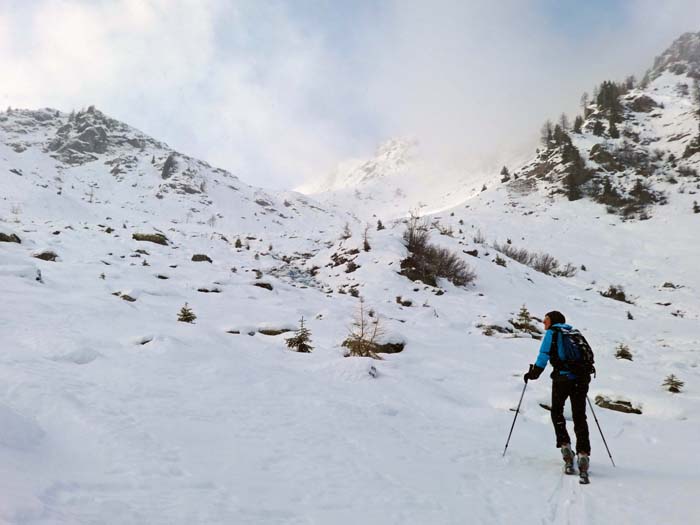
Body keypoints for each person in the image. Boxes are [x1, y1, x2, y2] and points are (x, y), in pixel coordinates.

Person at [523, 311, 590, 477]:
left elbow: (543, 355)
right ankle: (583, 453)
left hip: (562, 379)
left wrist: (533, 373)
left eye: (546, 320)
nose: (544, 323)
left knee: (557, 412)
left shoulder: (552, 333)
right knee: (579, 415)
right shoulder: (574, 333)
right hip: (581, 379)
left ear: (553, 321)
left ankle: (565, 447)